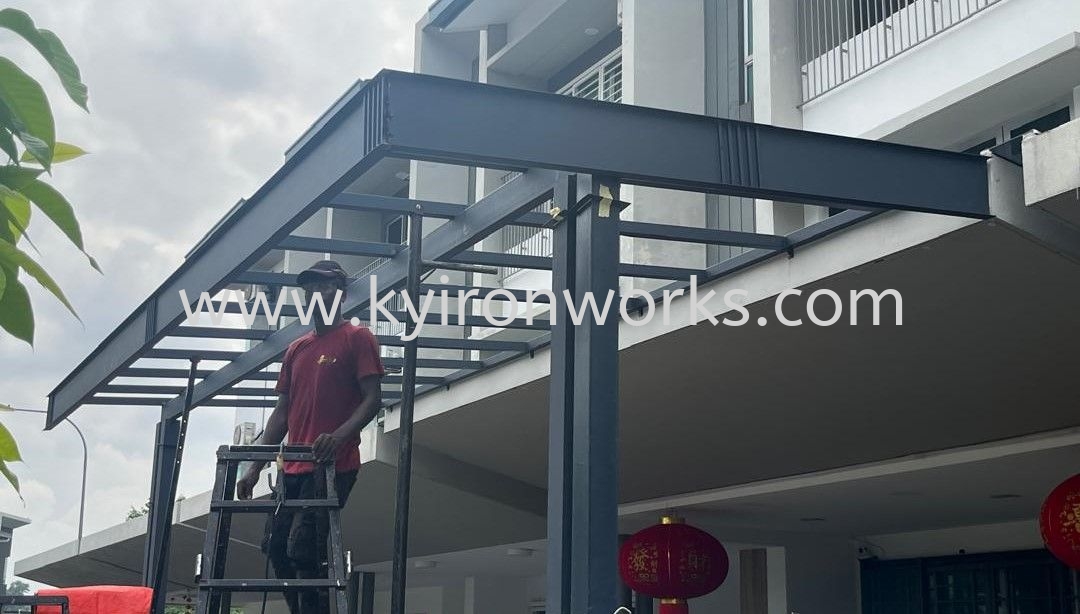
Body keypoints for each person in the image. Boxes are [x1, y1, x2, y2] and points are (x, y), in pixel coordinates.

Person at [236, 259, 385, 614]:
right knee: (276, 548)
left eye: (326, 286)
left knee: (304, 549)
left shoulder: (357, 338)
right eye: (311, 288)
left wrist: (339, 436)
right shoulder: (297, 348)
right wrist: (254, 467)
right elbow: (281, 413)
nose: (317, 293)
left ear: (342, 294)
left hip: (333, 466)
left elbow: (372, 399)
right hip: (292, 467)